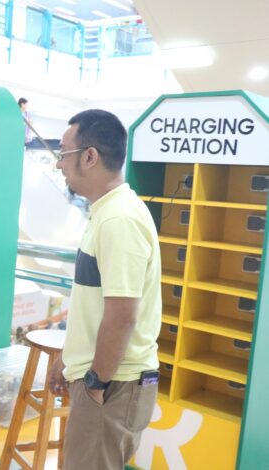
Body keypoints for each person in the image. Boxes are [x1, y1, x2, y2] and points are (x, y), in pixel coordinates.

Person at [48, 109, 161, 469]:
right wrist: (69, 356)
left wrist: (96, 382)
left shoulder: (118, 219)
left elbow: (122, 316)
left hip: (113, 385)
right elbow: (96, 303)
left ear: (90, 157)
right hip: (106, 381)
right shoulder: (106, 212)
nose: (58, 165)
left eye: (62, 154)